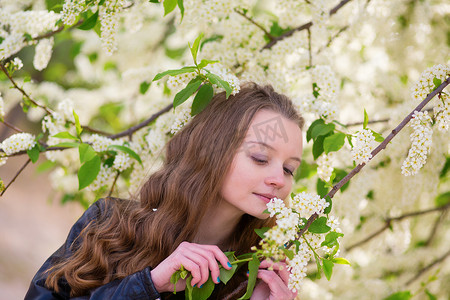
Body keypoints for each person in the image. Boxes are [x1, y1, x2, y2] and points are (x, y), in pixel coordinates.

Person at [25, 82, 304, 300]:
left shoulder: (256, 273)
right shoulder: (111, 224)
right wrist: (149, 285)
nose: (279, 179)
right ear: (213, 150)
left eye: (289, 169)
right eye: (260, 158)